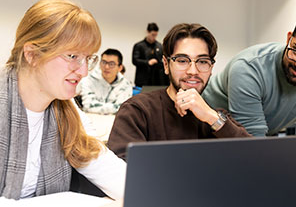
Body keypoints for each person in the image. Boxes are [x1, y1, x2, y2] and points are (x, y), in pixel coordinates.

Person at [0, 0, 126, 200]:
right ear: (31, 54)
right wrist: (67, 200)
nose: (84, 71)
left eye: (88, 58)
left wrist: (152, 194)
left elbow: (101, 163)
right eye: (72, 56)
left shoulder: (67, 110)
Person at [202, 11, 296, 179]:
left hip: (250, 149)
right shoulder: (249, 68)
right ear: (288, 39)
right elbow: (253, 148)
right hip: (202, 141)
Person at [107, 23, 251, 160]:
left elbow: (255, 158)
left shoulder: (215, 117)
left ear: (211, 68)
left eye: (202, 61)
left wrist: (211, 117)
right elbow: (123, 173)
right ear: (166, 65)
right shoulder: (138, 111)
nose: (193, 71)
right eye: (182, 60)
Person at [79, 48, 132, 114]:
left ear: (120, 68)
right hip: (91, 119)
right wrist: (113, 107)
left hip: (114, 121)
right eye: (104, 62)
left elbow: (123, 108)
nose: (106, 67)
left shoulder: (126, 85)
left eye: (111, 64)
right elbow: (88, 105)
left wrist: (96, 106)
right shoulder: (88, 81)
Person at [132, 22, 169, 87]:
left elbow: (162, 60)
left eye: (155, 35)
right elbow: (135, 60)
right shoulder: (139, 46)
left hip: (156, 80)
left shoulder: (159, 46)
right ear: (147, 32)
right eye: (152, 34)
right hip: (142, 80)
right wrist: (147, 62)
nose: (154, 37)